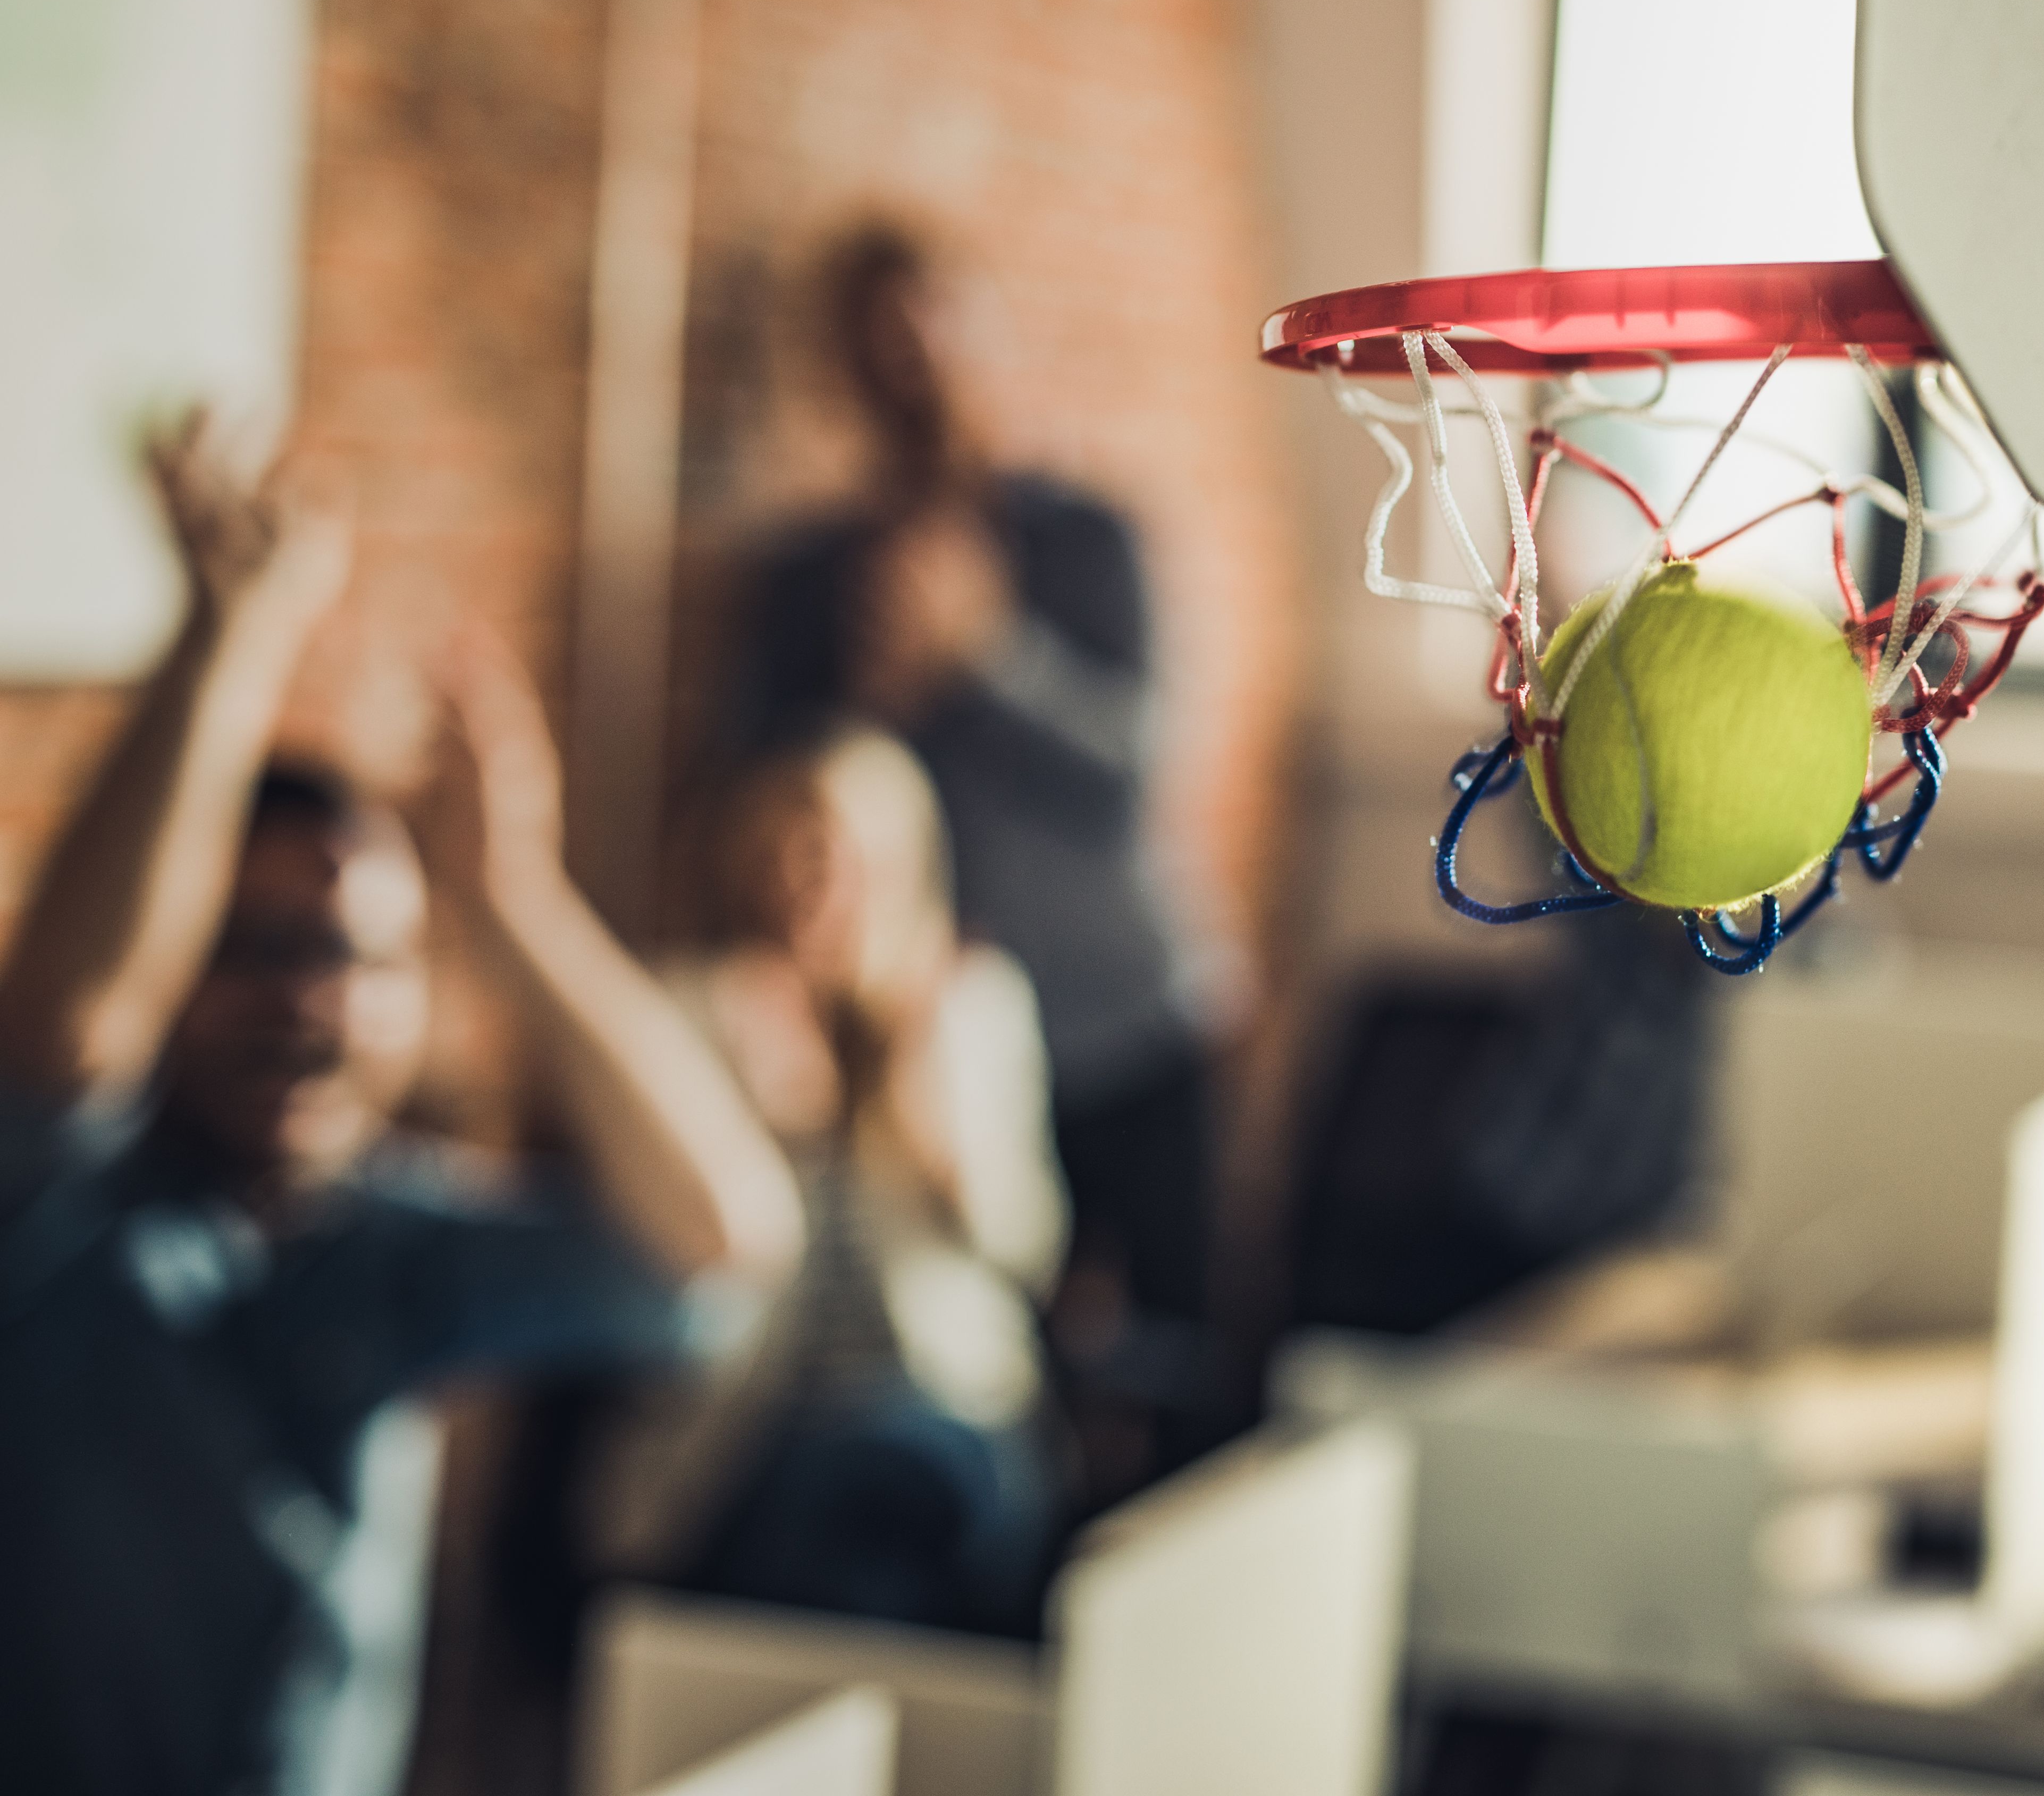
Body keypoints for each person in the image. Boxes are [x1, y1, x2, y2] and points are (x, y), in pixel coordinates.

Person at [0, 420, 802, 1796]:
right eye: (251, 951)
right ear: (170, 964)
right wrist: (229, 640)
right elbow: (62, 1038)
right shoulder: (53, 1224)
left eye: (359, 959)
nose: (309, 1002)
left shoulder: (392, 1246)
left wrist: (516, 900)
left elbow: (723, 1240)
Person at [726, 223, 1208, 1472]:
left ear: (983, 328)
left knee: (1181, 1375)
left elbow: (1132, 780)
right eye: (875, 340)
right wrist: (879, 697)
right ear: (841, 367)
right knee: (1008, 1375)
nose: (911, 362)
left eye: (932, 324)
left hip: (1132, 1026)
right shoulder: (809, 577)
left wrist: (984, 659)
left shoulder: (1088, 538)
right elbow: (779, 800)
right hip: (948, 1040)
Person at [587, 725, 1069, 1633]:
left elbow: (1032, 1254)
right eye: (790, 857)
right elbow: (660, 1263)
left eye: (845, 861)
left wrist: (933, 1142)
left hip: (947, 1406)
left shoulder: (971, 1007)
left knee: (886, 1482)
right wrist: (754, 1128)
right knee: (845, 1533)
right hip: (737, 1425)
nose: (811, 888)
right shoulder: (687, 1009)